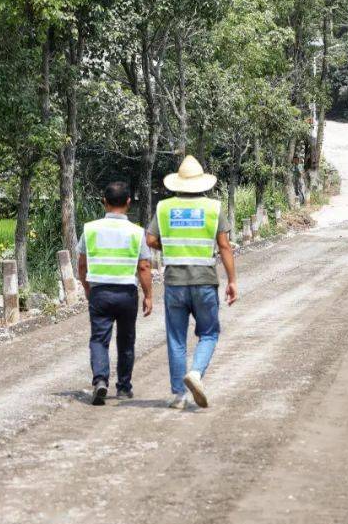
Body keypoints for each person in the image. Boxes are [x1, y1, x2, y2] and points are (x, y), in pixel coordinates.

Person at [146, 156, 238, 410]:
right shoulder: (213, 208)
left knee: (176, 338)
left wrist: (172, 246)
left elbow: (150, 239)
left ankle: (179, 396)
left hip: (174, 282)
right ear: (202, 184)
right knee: (209, 333)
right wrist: (232, 281)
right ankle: (196, 373)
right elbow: (224, 247)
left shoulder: (164, 208)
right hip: (205, 281)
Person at [76, 181, 153, 406]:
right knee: (126, 340)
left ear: (104, 202)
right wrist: (148, 295)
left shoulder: (90, 229)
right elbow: (144, 267)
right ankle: (123, 388)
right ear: (129, 202)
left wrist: (87, 287)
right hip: (127, 292)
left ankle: (100, 380)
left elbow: (82, 264)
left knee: (99, 339)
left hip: (100, 291)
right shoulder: (137, 232)